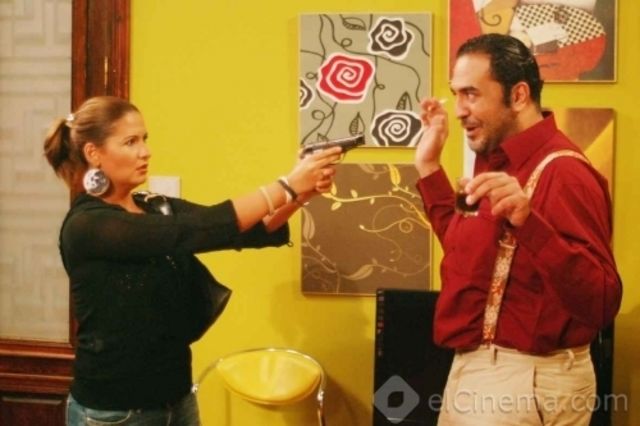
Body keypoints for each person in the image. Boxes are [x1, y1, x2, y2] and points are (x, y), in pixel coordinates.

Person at [43, 95, 341, 426]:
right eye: (130, 142)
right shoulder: (88, 224)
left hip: (178, 399)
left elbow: (245, 229)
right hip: (113, 412)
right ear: (93, 153)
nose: (145, 151)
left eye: (144, 139)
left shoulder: (154, 206)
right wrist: (286, 185)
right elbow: (194, 230)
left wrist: (301, 193)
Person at [414, 34, 622, 425]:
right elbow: (465, 259)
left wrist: (530, 224)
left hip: (525, 377)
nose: (459, 110)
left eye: (472, 94)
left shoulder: (565, 173)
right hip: (478, 372)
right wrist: (429, 168)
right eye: (456, 94)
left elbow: (601, 303)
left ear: (519, 95)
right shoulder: (497, 161)